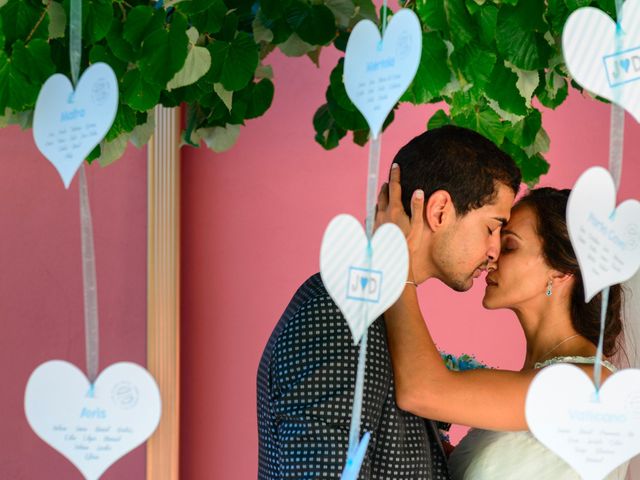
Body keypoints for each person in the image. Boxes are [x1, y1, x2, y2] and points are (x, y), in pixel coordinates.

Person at [257, 125, 522, 479]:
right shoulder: (341, 313)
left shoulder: (379, 311)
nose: (494, 252)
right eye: (491, 227)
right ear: (440, 210)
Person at [376, 166, 629, 479]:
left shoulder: (589, 388)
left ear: (561, 271)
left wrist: (398, 263)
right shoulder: (534, 384)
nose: (491, 253)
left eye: (509, 245)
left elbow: (421, 392)